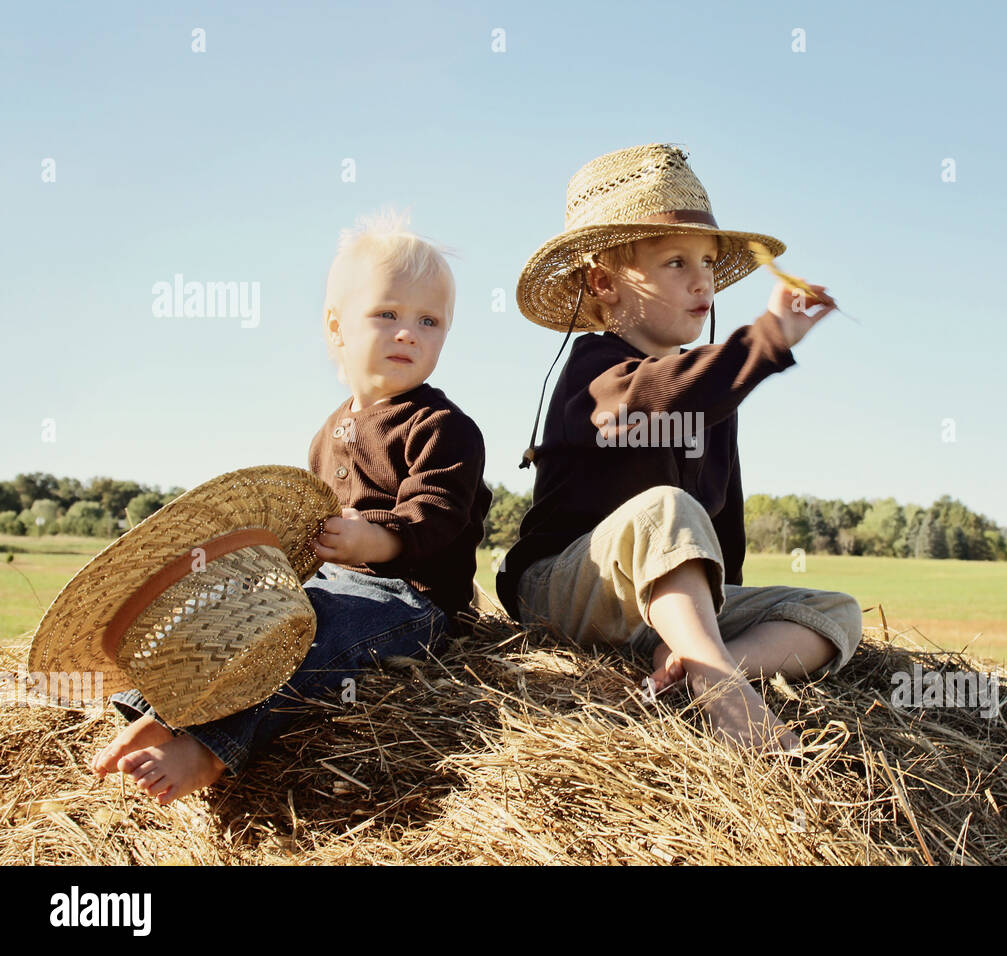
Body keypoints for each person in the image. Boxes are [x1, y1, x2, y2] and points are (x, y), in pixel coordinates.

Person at [90, 212, 492, 803]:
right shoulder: (330, 430)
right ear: (336, 328)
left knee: (317, 637)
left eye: (429, 321)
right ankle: (165, 706)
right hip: (332, 579)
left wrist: (372, 538)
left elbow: (439, 515)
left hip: (411, 600)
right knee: (248, 609)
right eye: (388, 314)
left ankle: (212, 746)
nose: (409, 333)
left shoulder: (444, 428)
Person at [498, 144, 862, 753]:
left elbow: (726, 523)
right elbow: (660, 398)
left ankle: (701, 661)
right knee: (664, 508)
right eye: (674, 262)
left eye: (708, 263)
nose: (703, 282)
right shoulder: (597, 373)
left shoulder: (708, 399)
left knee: (835, 611)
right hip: (569, 587)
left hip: (661, 609)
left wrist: (717, 611)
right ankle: (725, 694)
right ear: (602, 282)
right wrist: (766, 340)